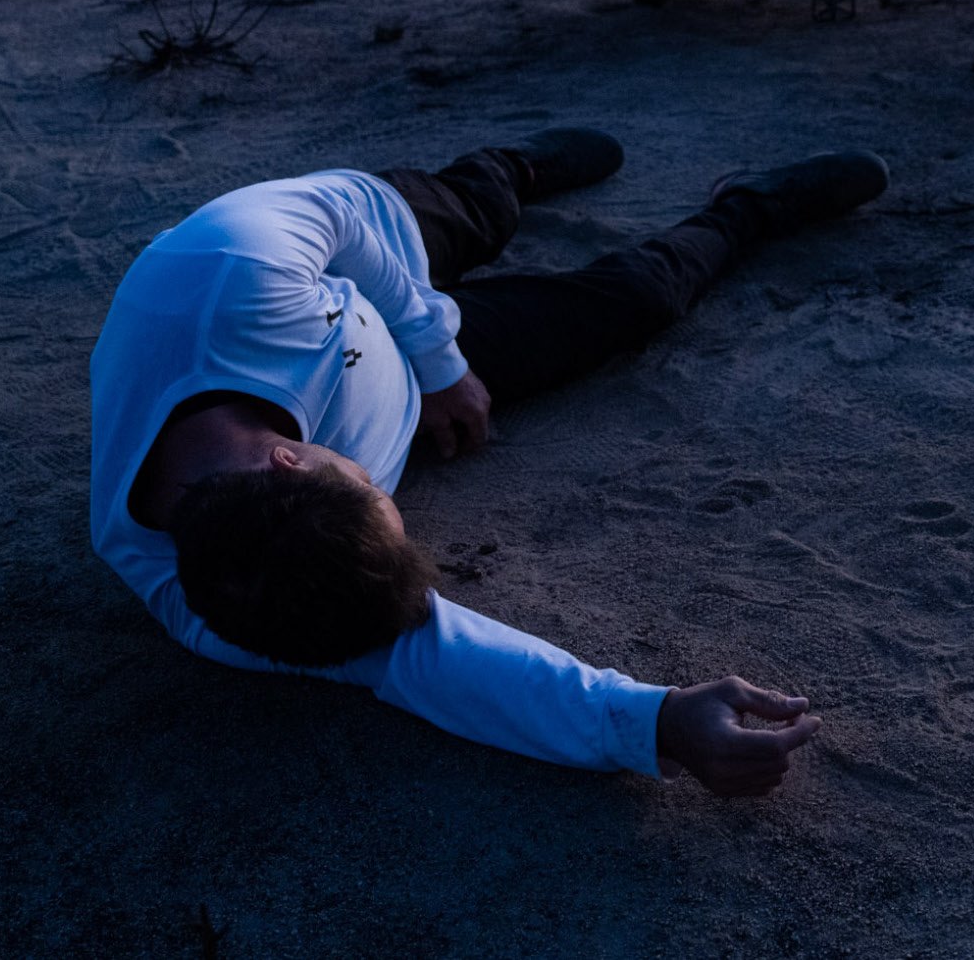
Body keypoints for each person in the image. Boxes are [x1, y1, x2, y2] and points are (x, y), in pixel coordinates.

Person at [88, 131, 889, 797]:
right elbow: (423, 656)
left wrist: (440, 364)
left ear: (291, 462)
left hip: (371, 258)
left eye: (370, 487)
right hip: (417, 383)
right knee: (641, 297)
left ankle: (513, 167)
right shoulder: (227, 601)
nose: (383, 483)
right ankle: (752, 207)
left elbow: (343, 223)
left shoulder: (226, 271)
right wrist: (656, 722)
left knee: (477, 211)